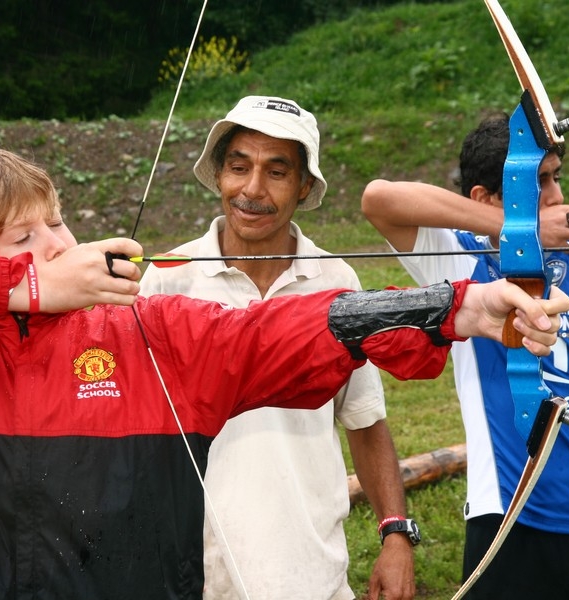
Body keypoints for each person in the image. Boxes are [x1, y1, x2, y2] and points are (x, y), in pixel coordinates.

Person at [0, 146, 568, 600]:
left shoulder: (149, 333)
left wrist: (458, 307)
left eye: (56, 221)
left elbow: (281, 332)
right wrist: (20, 287)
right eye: (23, 237)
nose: (56, 243)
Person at [141, 95, 412, 600]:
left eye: (277, 171)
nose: (252, 190)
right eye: (238, 167)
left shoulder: (336, 280)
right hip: (195, 572)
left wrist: (395, 532)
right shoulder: (169, 277)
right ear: (219, 175)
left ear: (305, 185)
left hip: (309, 573)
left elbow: (364, 418)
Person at [361, 112, 569, 599]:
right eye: (534, 183)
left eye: (555, 179)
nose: (553, 197)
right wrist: (517, 229)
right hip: (504, 514)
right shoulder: (461, 260)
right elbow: (379, 199)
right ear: (485, 200)